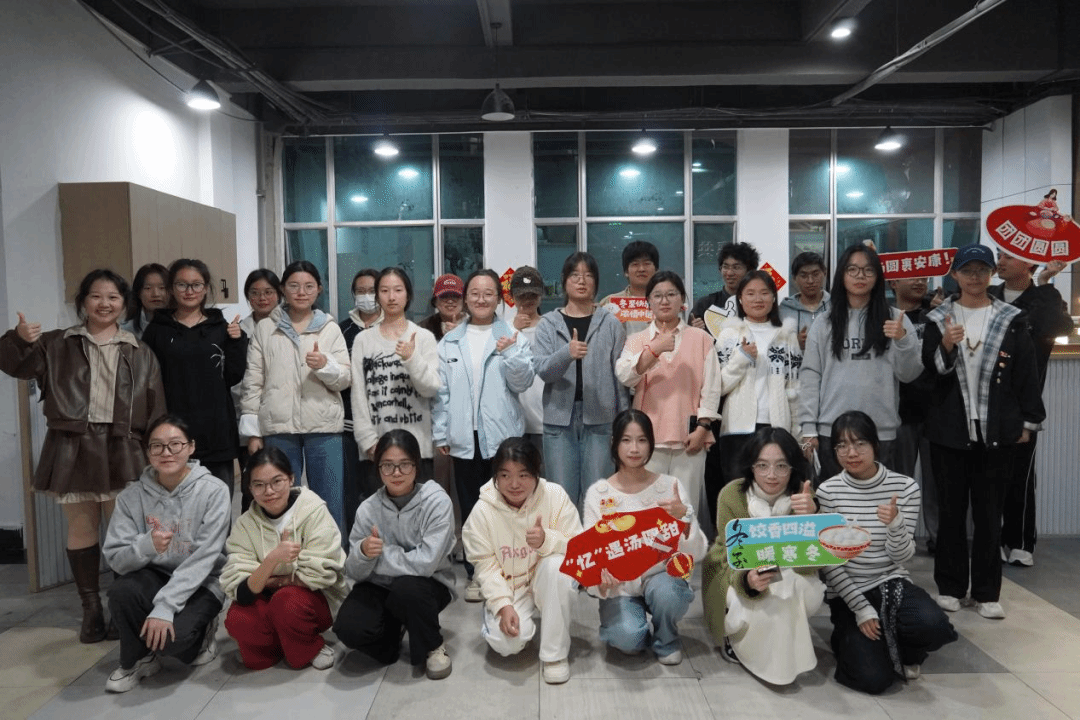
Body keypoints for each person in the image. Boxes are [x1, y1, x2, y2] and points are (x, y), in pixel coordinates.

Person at [1, 269, 165, 644]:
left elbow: (156, 408)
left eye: (113, 297)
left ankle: (122, 608)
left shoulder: (140, 351)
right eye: (96, 296)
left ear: (125, 304)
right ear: (83, 301)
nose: (104, 304)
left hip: (124, 446)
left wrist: (157, 453)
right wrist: (18, 339)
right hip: (72, 445)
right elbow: (13, 364)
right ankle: (91, 610)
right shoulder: (56, 343)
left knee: (125, 532)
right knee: (81, 527)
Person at [922, 244, 1045, 619]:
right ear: (954, 275)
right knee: (952, 513)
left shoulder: (1012, 318)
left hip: (998, 431)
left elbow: (1026, 373)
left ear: (992, 274)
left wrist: (1028, 421)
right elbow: (930, 374)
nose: (974, 277)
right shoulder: (938, 318)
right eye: (967, 270)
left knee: (990, 514)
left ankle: (987, 592)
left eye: (981, 270)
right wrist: (946, 344)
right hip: (949, 431)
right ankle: (950, 587)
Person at [815, 411, 957, 694]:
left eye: (860, 444)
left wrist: (895, 523)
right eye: (842, 445)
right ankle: (851, 638)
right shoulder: (828, 492)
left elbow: (902, 557)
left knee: (935, 626)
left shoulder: (904, 487)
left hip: (891, 582)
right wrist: (860, 607)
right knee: (873, 679)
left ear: (876, 445)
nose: (851, 453)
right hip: (847, 591)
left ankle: (905, 648)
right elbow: (829, 564)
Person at [102, 415, 231, 692]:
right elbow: (116, 558)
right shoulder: (130, 497)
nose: (166, 452)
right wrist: (145, 546)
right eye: (157, 446)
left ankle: (204, 630)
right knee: (121, 591)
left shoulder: (214, 491)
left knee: (175, 643)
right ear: (148, 451)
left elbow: (204, 557)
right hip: (154, 576)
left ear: (191, 447)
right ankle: (138, 659)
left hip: (202, 581)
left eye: (175, 444)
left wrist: (165, 606)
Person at [433, 269, 535, 602]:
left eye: (488, 293)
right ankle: (477, 574)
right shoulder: (450, 341)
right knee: (472, 509)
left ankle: (510, 570)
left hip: (503, 437)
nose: (481, 299)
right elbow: (441, 393)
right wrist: (441, 432)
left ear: (499, 298)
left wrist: (511, 353)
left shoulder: (512, 336)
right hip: (464, 437)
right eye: (475, 293)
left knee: (507, 506)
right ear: (466, 298)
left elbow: (523, 383)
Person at [583, 410, 707, 665]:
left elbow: (696, 552)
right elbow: (591, 556)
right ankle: (631, 625)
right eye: (626, 440)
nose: (634, 449)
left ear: (651, 443)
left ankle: (666, 637)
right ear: (614, 443)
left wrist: (684, 518)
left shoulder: (669, 487)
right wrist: (600, 580)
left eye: (642, 440)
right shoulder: (599, 493)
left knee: (670, 594)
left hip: (661, 578)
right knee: (628, 639)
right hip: (620, 587)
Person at [701, 426, 823, 684]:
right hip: (738, 572)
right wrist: (746, 579)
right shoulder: (733, 494)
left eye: (781, 466)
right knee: (764, 593)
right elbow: (726, 553)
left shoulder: (803, 496)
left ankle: (781, 661)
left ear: (793, 466)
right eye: (762, 465)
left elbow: (811, 564)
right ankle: (743, 645)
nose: (771, 475)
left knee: (788, 587)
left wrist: (810, 519)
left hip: (789, 576)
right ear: (751, 466)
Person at [240, 260, 351, 537]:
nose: (301, 292)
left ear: (319, 290)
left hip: (324, 426)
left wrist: (324, 365)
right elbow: (253, 381)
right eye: (294, 286)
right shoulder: (266, 328)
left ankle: (332, 558)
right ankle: (284, 556)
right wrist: (253, 433)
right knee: (280, 500)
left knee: (329, 501)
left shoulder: (330, 328)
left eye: (309, 286)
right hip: (278, 427)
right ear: (283, 289)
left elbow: (345, 379)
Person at [334, 430, 456, 680]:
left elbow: (425, 564)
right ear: (378, 468)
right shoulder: (368, 509)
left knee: (407, 589)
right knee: (347, 628)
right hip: (380, 586)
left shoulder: (436, 502)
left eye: (404, 464)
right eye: (387, 465)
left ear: (417, 465)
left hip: (427, 585)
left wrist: (380, 557)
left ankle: (433, 645)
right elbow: (353, 571)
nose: (396, 473)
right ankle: (394, 634)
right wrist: (363, 553)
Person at [461, 437, 582, 684]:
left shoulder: (554, 496)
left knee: (558, 568)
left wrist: (547, 540)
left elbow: (579, 546)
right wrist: (502, 604)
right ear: (495, 476)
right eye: (505, 475)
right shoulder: (482, 511)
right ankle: (506, 616)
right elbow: (484, 566)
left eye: (523, 475)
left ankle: (555, 655)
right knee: (507, 644)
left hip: (543, 576)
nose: (514, 484)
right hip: (510, 585)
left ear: (537, 473)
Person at [799, 243, 923, 482]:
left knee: (879, 502)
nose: (860, 276)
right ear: (842, 275)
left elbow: (909, 374)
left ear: (877, 277)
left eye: (868, 270)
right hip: (832, 432)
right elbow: (810, 377)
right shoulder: (824, 323)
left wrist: (902, 340)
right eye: (853, 269)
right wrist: (808, 429)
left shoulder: (895, 319)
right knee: (834, 501)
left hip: (880, 433)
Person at [221, 447, 347, 671]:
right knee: (238, 617)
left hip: (314, 599)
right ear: (249, 489)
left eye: (276, 481)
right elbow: (240, 590)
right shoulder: (245, 524)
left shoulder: (313, 510)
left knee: (286, 601)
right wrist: (272, 559)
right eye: (259, 485)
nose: (269, 491)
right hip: (270, 599)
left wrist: (269, 580)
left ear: (291, 479)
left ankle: (309, 645)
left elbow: (320, 574)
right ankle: (283, 642)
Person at [615, 270, 721, 531]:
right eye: (658, 296)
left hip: (690, 438)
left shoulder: (702, 339)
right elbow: (625, 376)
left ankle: (685, 555)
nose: (664, 301)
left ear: (682, 300)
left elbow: (712, 388)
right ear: (648, 302)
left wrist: (703, 427)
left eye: (671, 294)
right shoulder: (637, 340)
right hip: (647, 438)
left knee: (686, 506)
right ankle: (651, 556)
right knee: (648, 507)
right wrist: (654, 349)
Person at [991, 252, 1073, 567]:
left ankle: (1021, 541)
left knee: (1021, 476)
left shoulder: (1041, 298)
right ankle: (993, 540)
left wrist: (1045, 283)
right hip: (985, 402)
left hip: (1024, 404)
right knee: (988, 476)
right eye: (999, 255)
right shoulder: (989, 296)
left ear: (1029, 263)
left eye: (1009, 257)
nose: (1001, 261)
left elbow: (1060, 326)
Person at [141, 258, 247, 498]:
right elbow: (147, 380)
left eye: (196, 285)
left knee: (218, 504)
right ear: (171, 289)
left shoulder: (220, 328)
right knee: (173, 506)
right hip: (171, 433)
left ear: (206, 288)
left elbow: (233, 375)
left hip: (216, 430)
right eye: (182, 284)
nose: (189, 291)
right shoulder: (157, 330)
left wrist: (237, 341)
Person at [534, 251, 629, 511]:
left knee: (599, 497)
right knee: (561, 499)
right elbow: (543, 370)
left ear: (596, 282)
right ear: (564, 281)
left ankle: (594, 539)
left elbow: (620, 377)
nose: (581, 281)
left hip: (602, 420)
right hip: (559, 422)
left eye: (588, 275)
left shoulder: (610, 323)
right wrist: (567, 353)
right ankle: (564, 539)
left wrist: (623, 423)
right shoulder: (548, 323)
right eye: (575, 275)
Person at [714, 271, 802, 493]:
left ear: (773, 298)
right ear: (740, 299)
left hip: (777, 427)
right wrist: (742, 358)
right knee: (738, 493)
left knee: (776, 493)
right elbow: (718, 387)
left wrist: (798, 435)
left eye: (764, 293)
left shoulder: (786, 336)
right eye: (750, 293)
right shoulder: (729, 335)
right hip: (736, 429)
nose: (758, 299)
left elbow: (795, 388)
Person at [351, 267, 441, 483]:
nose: (391, 297)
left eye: (398, 290)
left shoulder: (423, 337)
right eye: (384, 291)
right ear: (377, 296)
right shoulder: (363, 340)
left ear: (408, 295)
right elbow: (358, 395)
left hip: (417, 449)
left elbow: (430, 388)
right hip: (376, 449)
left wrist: (411, 358)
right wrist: (368, 442)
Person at [889, 276, 940, 549]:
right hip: (898, 411)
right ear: (893, 282)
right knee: (898, 483)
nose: (920, 281)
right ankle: (899, 539)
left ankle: (939, 539)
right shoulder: (885, 316)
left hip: (936, 410)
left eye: (924, 277)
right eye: (913, 276)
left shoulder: (936, 313)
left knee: (937, 483)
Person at [338, 268, 383, 538]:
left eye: (372, 291)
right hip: (348, 424)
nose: (367, 296)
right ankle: (354, 547)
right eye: (361, 291)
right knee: (351, 490)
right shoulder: (341, 329)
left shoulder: (393, 327)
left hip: (383, 424)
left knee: (381, 487)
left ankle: (382, 545)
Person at [235, 268, 284, 512]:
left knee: (280, 482)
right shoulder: (237, 331)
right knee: (252, 486)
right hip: (247, 416)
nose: (262, 298)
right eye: (255, 293)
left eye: (268, 292)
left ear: (279, 294)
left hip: (280, 418)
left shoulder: (289, 327)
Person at [506, 266, 547, 458]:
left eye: (533, 294)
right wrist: (515, 330)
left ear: (541, 295)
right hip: (513, 422)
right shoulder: (503, 329)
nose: (527, 300)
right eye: (522, 295)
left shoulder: (551, 326)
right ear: (512, 297)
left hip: (545, 421)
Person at [689, 241, 759, 338]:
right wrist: (693, 331)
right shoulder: (705, 305)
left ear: (750, 271)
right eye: (725, 267)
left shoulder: (758, 305)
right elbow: (689, 339)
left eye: (736, 267)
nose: (729, 273)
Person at [599, 240, 659, 336]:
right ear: (626, 271)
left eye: (647, 264)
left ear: (656, 270)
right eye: (635, 264)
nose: (641, 269)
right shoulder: (610, 303)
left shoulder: (666, 302)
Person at [779, 251, 830, 349]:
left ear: (824, 273)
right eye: (804, 276)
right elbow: (773, 347)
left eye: (815, 274)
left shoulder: (835, 306)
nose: (810, 281)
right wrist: (794, 344)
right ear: (794, 278)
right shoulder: (783, 311)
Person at [122, 263, 169, 339]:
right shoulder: (125, 330)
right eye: (148, 288)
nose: (156, 294)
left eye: (162, 288)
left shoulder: (182, 326)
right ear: (138, 293)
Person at [419, 273, 466, 342]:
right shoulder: (423, 329)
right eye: (444, 296)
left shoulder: (475, 323)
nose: (450, 301)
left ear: (464, 300)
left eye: (455, 296)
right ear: (435, 301)